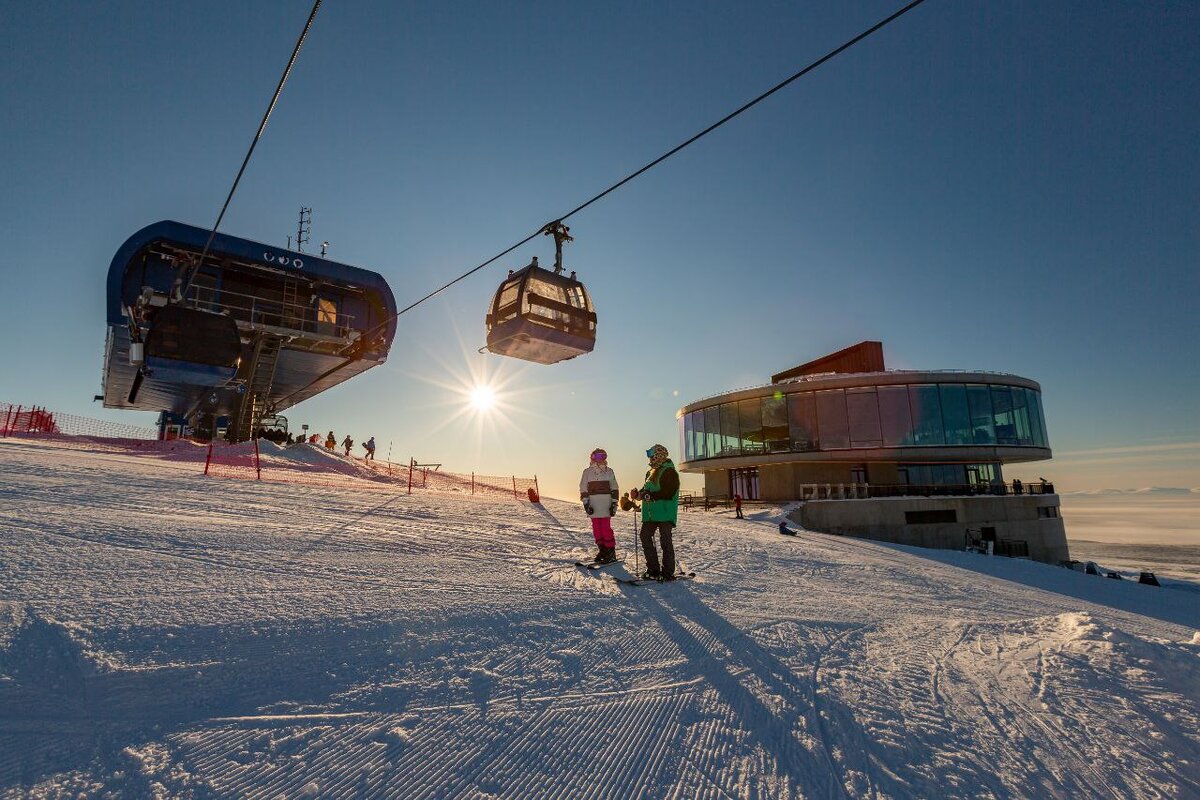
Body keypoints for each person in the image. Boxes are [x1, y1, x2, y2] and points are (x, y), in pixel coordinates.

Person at [638, 444, 680, 580]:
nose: (650, 457)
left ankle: (668, 572)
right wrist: (638, 495)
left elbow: (669, 492)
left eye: (651, 454)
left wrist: (651, 496)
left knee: (665, 541)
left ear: (659, 455)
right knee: (645, 536)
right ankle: (653, 569)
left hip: (665, 513)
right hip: (651, 513)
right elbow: (646, 490)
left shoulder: (669, 472)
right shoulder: (650, 472)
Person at [579, 448, 619, 564]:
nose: (601, 459)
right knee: (596, 528)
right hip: (594, 505)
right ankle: (602, 550)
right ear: (592, 457)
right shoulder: (587, 472)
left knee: (606, 528)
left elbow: (614, 488)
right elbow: (583, 488)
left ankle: (610, 551)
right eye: (598, 457)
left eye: (603, 456)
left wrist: (614, 504)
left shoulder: (609, 471)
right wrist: (586, 503)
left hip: (606, 505)